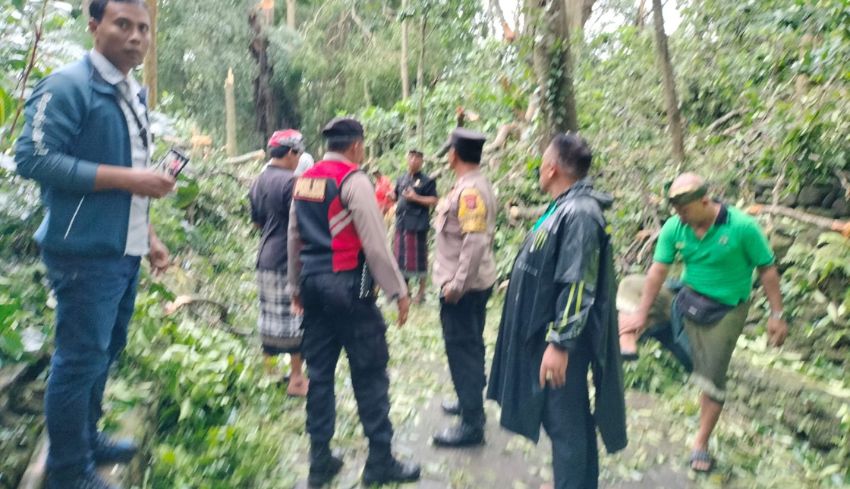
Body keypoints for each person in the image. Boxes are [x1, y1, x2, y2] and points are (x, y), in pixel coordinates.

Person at [14, 1, 174, 488]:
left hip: (122, 253)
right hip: (82, 252)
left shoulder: (132, 92)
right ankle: (68, 470)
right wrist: (128, 178)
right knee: (79, 358)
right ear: (93, 26)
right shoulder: (67, 86)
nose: (135, 37)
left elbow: (133, 180)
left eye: (142, 28)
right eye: (122, 24)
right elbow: (33, 158)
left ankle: (87, 436)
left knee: (105, 352)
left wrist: (149, 237)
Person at [618, 172, 788, 472]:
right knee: (631, 286)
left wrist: (776, 316)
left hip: (726, 308)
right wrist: (641, 314)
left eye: (685, 210)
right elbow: (658, 272)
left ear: (705, 201)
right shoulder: (676, 227)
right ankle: (632, 337)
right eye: (676, 212)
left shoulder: (742, 227)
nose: (680, 217)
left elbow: (767, 270)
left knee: (711, 380)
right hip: (686, 295)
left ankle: (701, 443)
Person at [487, 133, 627, 489]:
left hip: (561, 343)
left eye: (542, 162)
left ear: (551, 169)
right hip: (547, 336)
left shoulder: (579, 213)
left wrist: (560, 344)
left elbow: (578, 282)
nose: (539, 169)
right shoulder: (565, 205)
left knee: (564, 423)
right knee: (569, 419)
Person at [287, 117, 421, 487]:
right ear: (357, 146)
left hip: (313, 287)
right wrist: (398, 291)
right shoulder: (353, 180)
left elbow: (294, 236)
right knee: (369, 372)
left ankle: (319, 462)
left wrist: (295, 285)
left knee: (319, 376)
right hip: (348, 288)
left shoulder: (307, 179)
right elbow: (376, 244)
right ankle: (380, 462)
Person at [431, 128, 497, 447]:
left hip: (463, 289)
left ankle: (472, 424)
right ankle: (467, 399)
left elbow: (474, 242)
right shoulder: (471, 185)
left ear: (454, 154)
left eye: (449, 152)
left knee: (463, 352)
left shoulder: (469, 192)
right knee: (471, 346)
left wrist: (457, 286)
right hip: (473, 283)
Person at [249, 129, 307, 397]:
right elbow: (301, 225)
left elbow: (257, 221)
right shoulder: (293, 183)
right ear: (291, 153)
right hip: (287, 259)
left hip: (264, 257)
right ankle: (296, 378)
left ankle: (270, 372)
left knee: (269, 316)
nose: (299, 159)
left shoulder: (258, 181)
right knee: (295, 318)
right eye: (299, 153)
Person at [389, 149, 438, 304]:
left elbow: (434, 200)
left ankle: (421, 293)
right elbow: (396, 196)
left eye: (418, 158)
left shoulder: (427, 181)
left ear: (422, 161)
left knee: (420, 261)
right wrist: (391, 196)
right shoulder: (401, 178)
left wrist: (416, 197)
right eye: (411, 157)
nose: (414, 160)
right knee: (401, 260)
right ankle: (405, 291)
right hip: (401, 224)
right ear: (407, 159)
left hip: (417, 226)